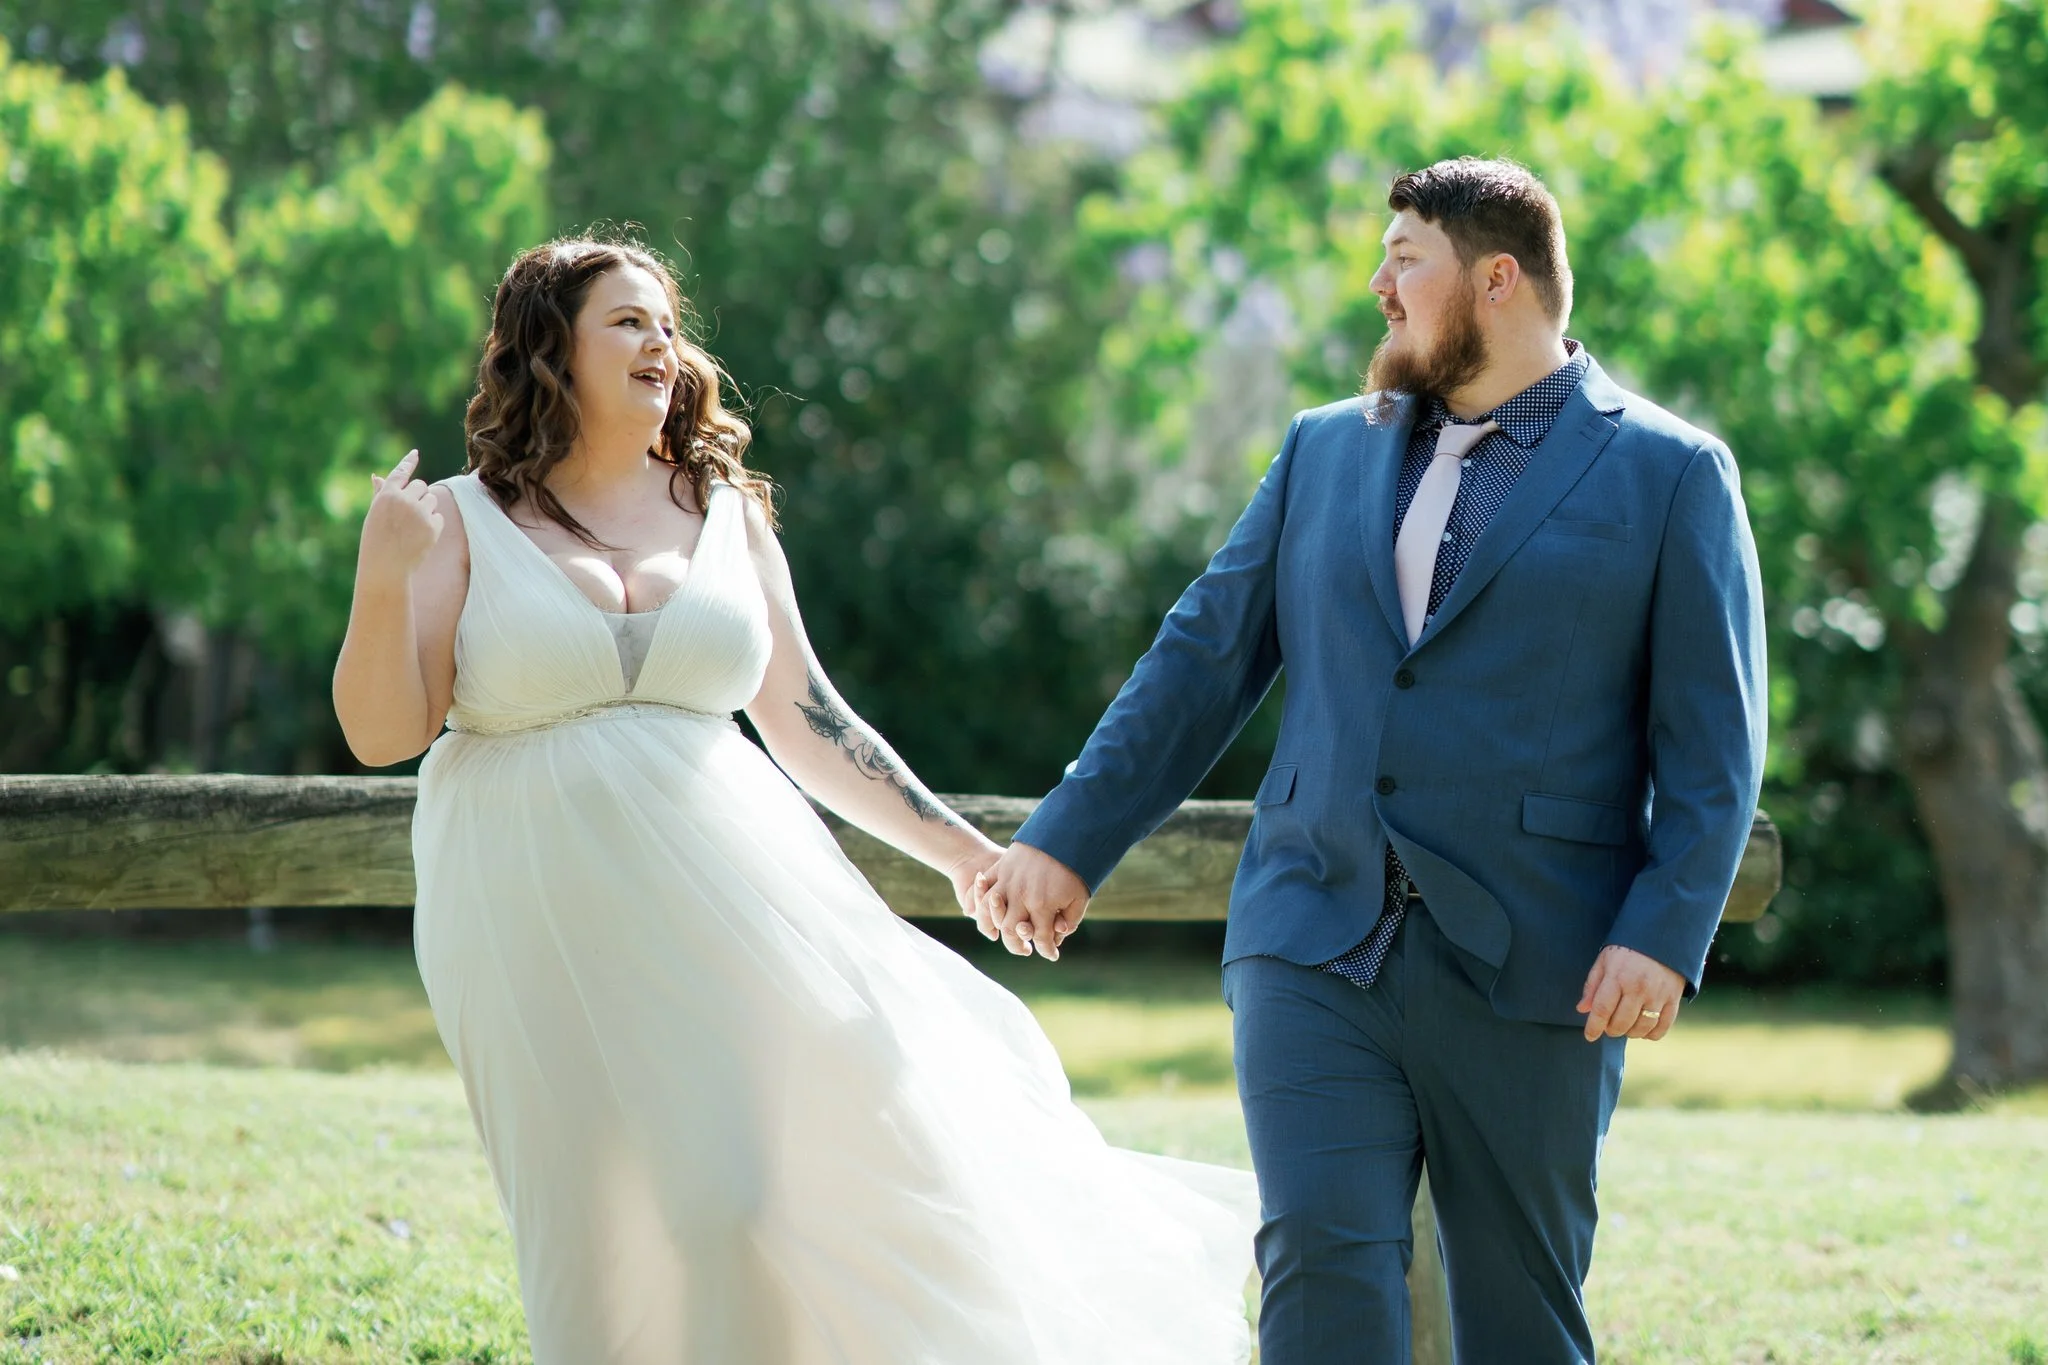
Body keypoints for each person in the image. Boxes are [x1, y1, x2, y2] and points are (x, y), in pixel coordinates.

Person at [331, 236, 1256, 1365]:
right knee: (594, 1224)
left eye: (668, 324)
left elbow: (813, 722)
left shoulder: (723, 511)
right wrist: (385, 577)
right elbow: (384, 735)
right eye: (626, 322)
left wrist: (966, 855)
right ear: (547, 348)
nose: (660, 345)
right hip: (533, 915)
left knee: (746, 1200)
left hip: (735, 909)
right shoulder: (458, 521)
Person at [978, 157, 1767, 1363]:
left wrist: (1662, 929)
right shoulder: (1322, 451)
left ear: (1495, 279)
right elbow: (1200, 659)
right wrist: (1067, 834)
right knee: (1319, 1271)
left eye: (1406, 260)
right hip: (1311, 930)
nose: (1377, 286)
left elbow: (1715, 744)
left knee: (1519, 1314)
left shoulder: (1668, 473)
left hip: (1537, 958)